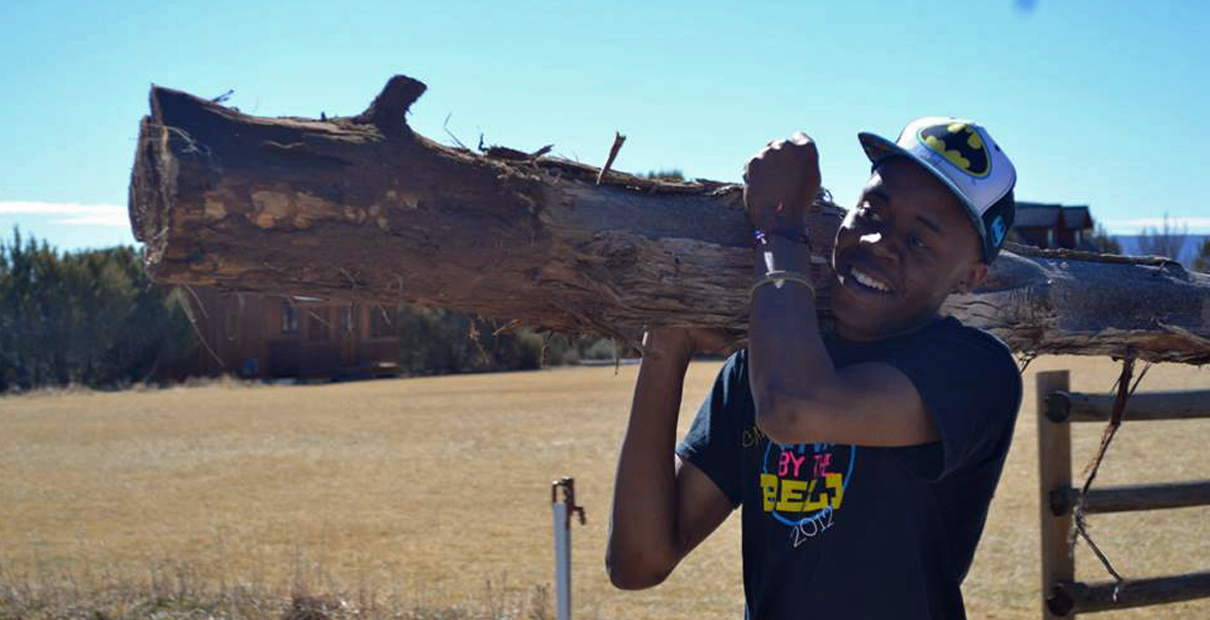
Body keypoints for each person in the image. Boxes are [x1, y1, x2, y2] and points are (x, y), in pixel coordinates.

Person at [606, 117, 1023, 620]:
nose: (875, 244)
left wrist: (777, 224)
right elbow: (638, 562)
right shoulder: (761, 368)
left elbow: (794, 409)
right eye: (872, 210)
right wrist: (666, 342)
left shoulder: (974, 372)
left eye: (919, 242)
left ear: (971, 277)